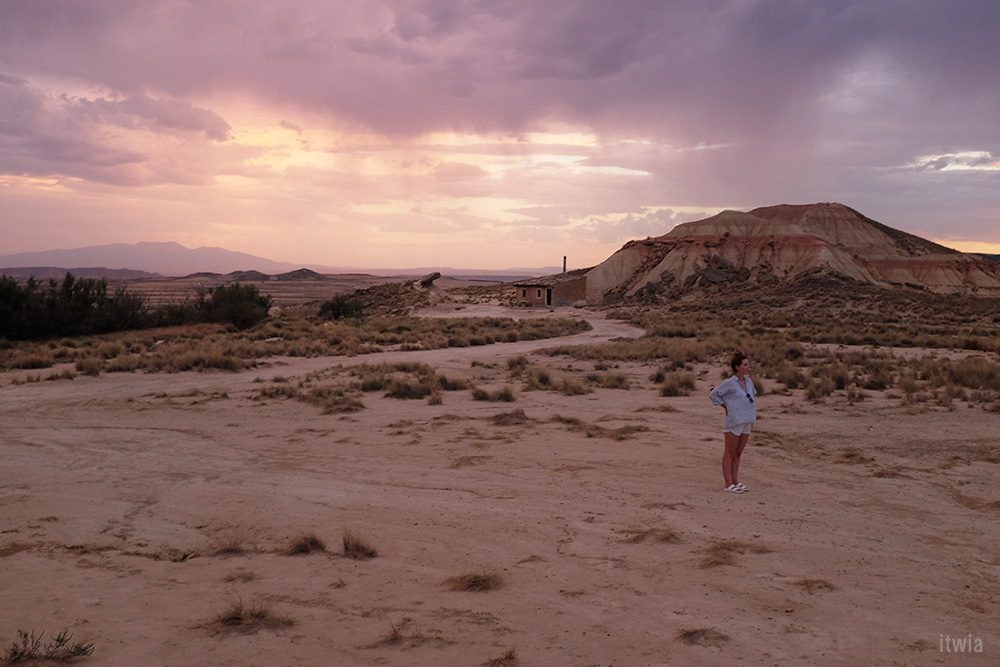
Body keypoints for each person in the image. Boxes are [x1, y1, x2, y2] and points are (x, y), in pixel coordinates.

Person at [709, 349, 757, 493]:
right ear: (737, 367)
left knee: (738, 453)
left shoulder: (749, 382)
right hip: (734, 420)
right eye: (745, 365)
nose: (748, 367)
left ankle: (735, 482)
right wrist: (726, 407)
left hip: (747, 419)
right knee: (729, 452)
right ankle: (728, 483)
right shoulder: (729, 383)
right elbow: (714, 394)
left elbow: (751, 397)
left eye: (748, 364)